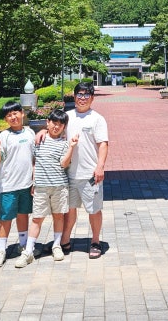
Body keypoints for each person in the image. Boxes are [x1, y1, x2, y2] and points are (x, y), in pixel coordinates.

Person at [15, 109, 78, 268]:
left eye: (60, 125)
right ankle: (28, 251)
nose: (56, 127)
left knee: (58, 217)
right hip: (41, 187)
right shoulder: (39, 140)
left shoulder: (64, 143)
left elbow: (64, 164)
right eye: (54, 123)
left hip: (59, 186)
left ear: (64, 127)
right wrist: (33, 181)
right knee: (37, 218)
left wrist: (71, 147)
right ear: (47, 123)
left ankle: (56, 245)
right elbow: (33, 161)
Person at [61, 81, 109, 259]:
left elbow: (103, 144)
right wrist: (41, 132)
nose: (82, 98)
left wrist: (100, 166)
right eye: (79, 94)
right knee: (69, 209)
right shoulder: (67, 117)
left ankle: (95, 241)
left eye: (86, 95)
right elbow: (53, 130)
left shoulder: (97, 119)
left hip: (90, 174)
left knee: (94, 209)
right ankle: (65, 239)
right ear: (74, 97)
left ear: (92, 98)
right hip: (69, 174)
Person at [0, 101, 35, 268]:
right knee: (6, 217)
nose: (13, 117)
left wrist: (35, 180)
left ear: (22, 113)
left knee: (23, 214)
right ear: (6, 119)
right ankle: (1, 250)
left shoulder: (30, 132)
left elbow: (34, 157)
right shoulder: (4, 136)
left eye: (15, 113)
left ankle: (23, 244)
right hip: (9, 185)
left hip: (26, 183)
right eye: (9, 115)